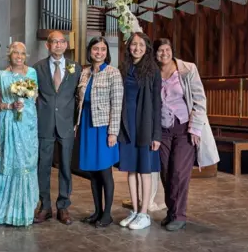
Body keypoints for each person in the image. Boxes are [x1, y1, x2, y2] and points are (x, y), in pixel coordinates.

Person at [154, 38, 218, 231]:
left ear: (171, 51)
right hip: (162, 130)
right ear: (155, 53)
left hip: (184, 129)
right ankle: (172, 212)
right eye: (160, 51)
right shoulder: (153, 72)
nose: (164, 53)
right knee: (165, 172)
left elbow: (199, 99)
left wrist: (195, 128)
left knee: (179, 173)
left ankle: (180, 215)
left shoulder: (187, 69)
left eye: (167, 50)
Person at [0, 42, 39, 226]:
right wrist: (10, 106)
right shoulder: (1, 76)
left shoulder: (32, 73)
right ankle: (3, 210)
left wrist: (25, 99)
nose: (19, 56)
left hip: (27, 125)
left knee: (26, 164)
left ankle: (24, 211)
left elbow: (35, 96)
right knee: (7, 162)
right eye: (15, 52)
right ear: (9, 54)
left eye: (22, 53)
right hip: (8, 123)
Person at [32, 31, 81, 225]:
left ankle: (63, 207)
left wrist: (76, 122)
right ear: (48, 45)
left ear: (66, 45)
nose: (58, 45)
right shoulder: (37, 68)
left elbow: (80, 96)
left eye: (61, 42)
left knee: (66, 168)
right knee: (42, 166)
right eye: (54, 42)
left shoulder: (75, 68)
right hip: (44, 124)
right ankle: (45, 206)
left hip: (66, 124)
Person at [76, 37, 123, 228]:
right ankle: (97, 211)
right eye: (96, 49)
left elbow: (117, 104)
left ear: (107, 52)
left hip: (103, 127)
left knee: (105, 172)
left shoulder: (113, 73)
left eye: (103, 49)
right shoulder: (85, 72)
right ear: (90, 51)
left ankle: (107, 214)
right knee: (93, 173)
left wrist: (113, 132)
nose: (99, 52)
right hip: (87, 124)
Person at [117, 32, 161, 230]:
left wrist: (156, 134)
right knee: (131, 169)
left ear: (147, 48)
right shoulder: (124, 68)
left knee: (145, 170)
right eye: (134, 45)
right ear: (129, 47)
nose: (137, 48)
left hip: (145, 125)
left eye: (141, 45)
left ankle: (144, 213)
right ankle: (134, 210)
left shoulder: (152, 70)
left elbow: (157, 104)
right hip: (127, 124)